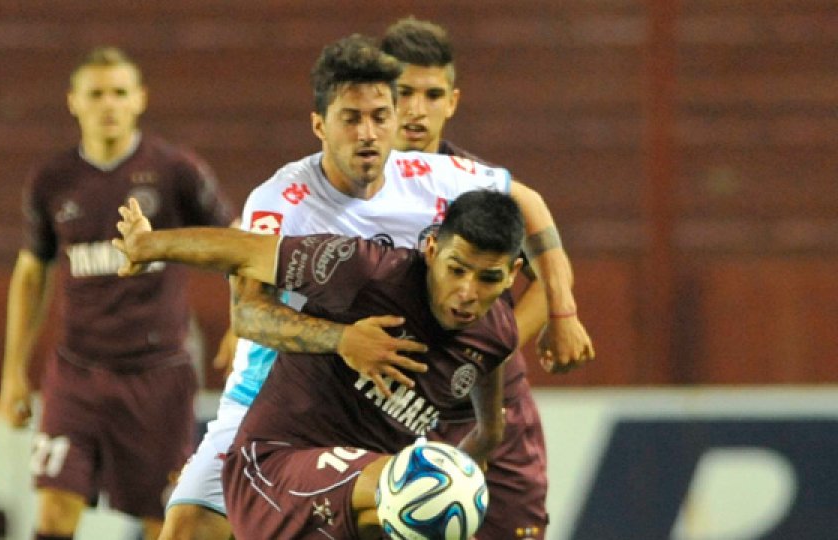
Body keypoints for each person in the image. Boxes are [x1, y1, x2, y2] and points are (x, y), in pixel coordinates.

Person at [159, 34, 592, 539]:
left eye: (380, 117)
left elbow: (530, 204)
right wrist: (342, 340)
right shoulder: (282, 200)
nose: (369, 132)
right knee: (187, 528)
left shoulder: (434, 177)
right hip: (272, 404)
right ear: (320, 124)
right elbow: (249, 316)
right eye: (352, 118)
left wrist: (562, 311)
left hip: (378, 411)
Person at [114, 188, 524, 539]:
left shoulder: (496, 335)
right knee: (427, 485)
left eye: (488, 278)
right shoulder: (368, 272)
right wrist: (148, 246)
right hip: (272, 467)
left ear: (512, 274)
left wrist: (479, 449)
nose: (467, 292)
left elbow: (488, 420)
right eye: (456, 270)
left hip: (348, 506)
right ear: (432, 249)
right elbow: (244, 253)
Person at [0, 46, 235, 540]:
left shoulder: (176, 171)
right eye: (97, 93)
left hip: (159, 376)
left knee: (162, 521)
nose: (109, 103)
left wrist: (242, 323)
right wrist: (13, 373)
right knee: (54, 513)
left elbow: (235, 243)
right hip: (76, 372)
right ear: (74, 102)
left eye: (120, 92)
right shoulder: (52, 180)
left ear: (140, 100)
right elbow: (31, 273)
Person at [382, 16, 568, 538]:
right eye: (402, 93)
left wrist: (493, 347)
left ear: (453, 101)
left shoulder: (480, 188)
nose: (416, 109)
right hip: (389, 409)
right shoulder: (351, 193)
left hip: (486, 408)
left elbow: (544, 262)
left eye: (431, 94)